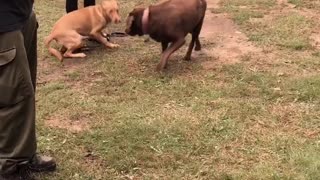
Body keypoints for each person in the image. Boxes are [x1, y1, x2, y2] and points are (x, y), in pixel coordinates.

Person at [0, 0, 56, 179]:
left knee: (25, 89)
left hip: (21, 13)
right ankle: (8, 166)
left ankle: (24, 154)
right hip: (4, 21)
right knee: (13, 95)